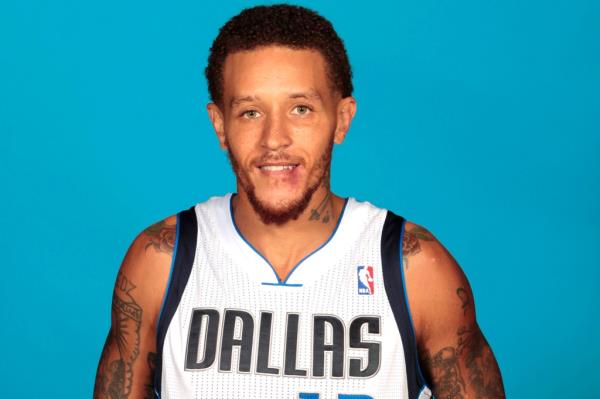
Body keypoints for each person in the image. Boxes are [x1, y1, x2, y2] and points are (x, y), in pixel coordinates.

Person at [94, 4, 505, 399]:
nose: (275, 139)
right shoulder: (161, 263)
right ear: (220, 126)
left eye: (301, 109)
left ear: (341, 119)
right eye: (250, 112)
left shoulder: (414, 269)